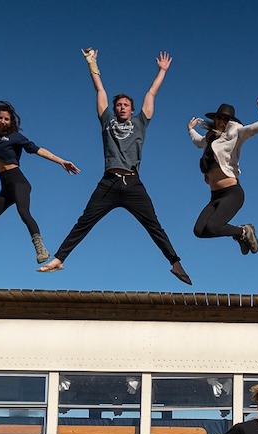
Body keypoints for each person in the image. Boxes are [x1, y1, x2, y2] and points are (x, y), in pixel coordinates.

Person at [39, 49, 192, 286]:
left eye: (126, 105)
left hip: (132, 183)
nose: (121, 107)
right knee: (84, 221)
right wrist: (92, 62)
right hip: (109, 182)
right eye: (119, 105)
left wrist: (162, 71)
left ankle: (175, 263)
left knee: (153, 224)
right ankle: (60, 259)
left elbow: (151, 93)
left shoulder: (141, 122)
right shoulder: (106, 120)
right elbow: (100, 90)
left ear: (132, 110)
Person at [0, 89, 80, 274]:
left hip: (19, 182)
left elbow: (38, 150)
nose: (3, 121)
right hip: (5, 188)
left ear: (11, 122)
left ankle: (41, 249)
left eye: (7, 119)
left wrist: (61, 161)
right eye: (1, 118)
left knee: (23, 212)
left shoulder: (16, 137)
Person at [187, 98, 258, 255]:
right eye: (219, 117)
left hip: (232, 193)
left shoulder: (235, 133)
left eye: (225, 118)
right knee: (199, 230)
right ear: (215, 118)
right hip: (215, 196)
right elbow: (198, 142)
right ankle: (241, 235)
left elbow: (252, 129)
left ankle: (243, 232)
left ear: (230, 121)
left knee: (213, 227)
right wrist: (190, 130)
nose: (221, 120)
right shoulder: (210, 138)